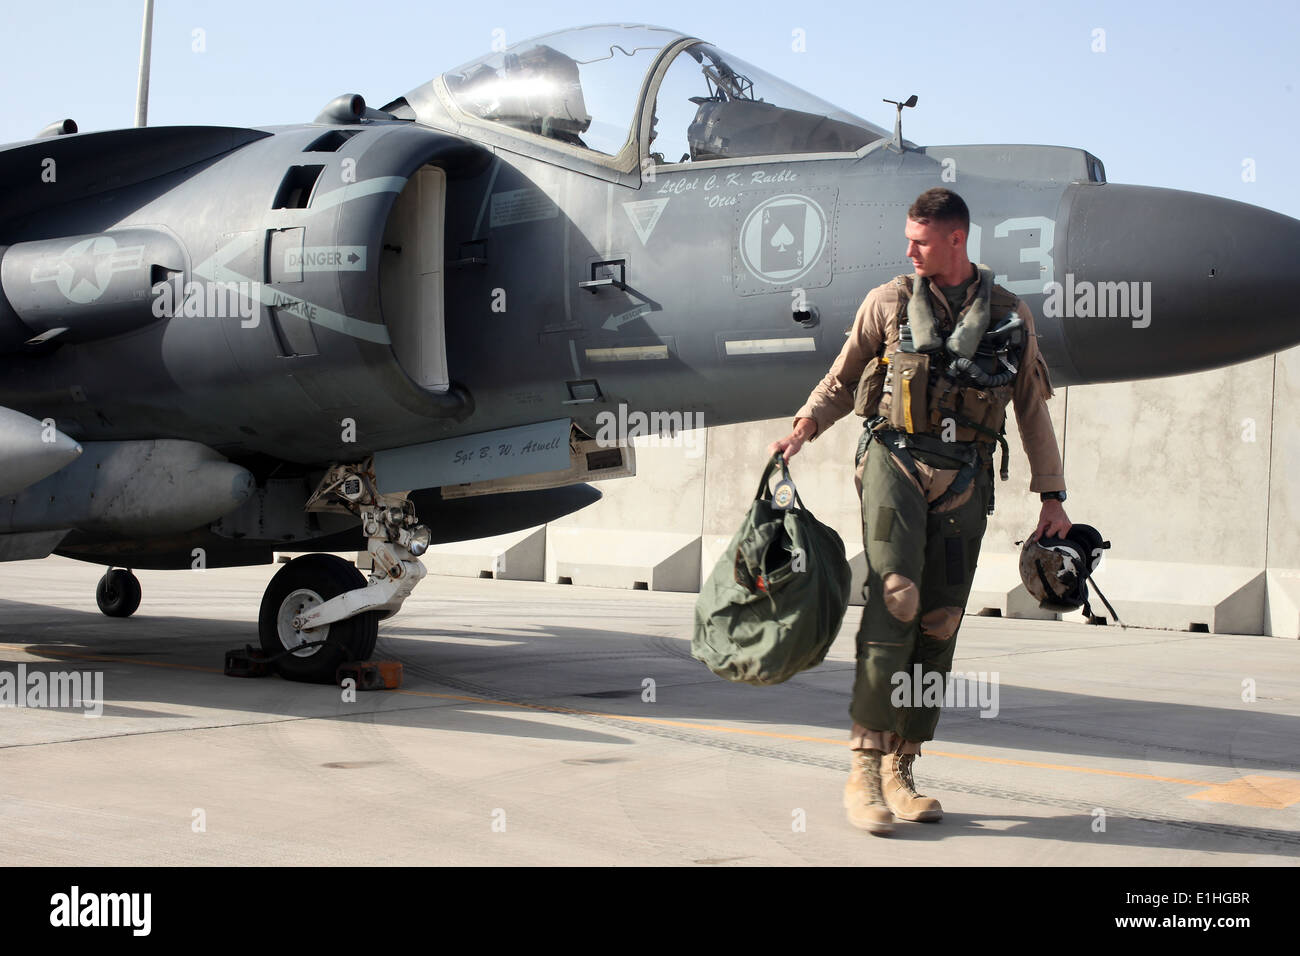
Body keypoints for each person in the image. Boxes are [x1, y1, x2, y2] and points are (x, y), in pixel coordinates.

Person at [767, 187, 1070, 836]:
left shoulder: (1011, 316)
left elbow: (1032, 410)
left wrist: (1052, 497)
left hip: (966, 478)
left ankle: (905, 765)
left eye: (922, 241)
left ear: (957, 241)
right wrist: (802, 427)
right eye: (908, 239)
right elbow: (844, 379)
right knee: (896, 598)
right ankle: (865, 768)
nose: (909, 250)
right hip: (894, 461)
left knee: (941, 620)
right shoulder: (887, 303)